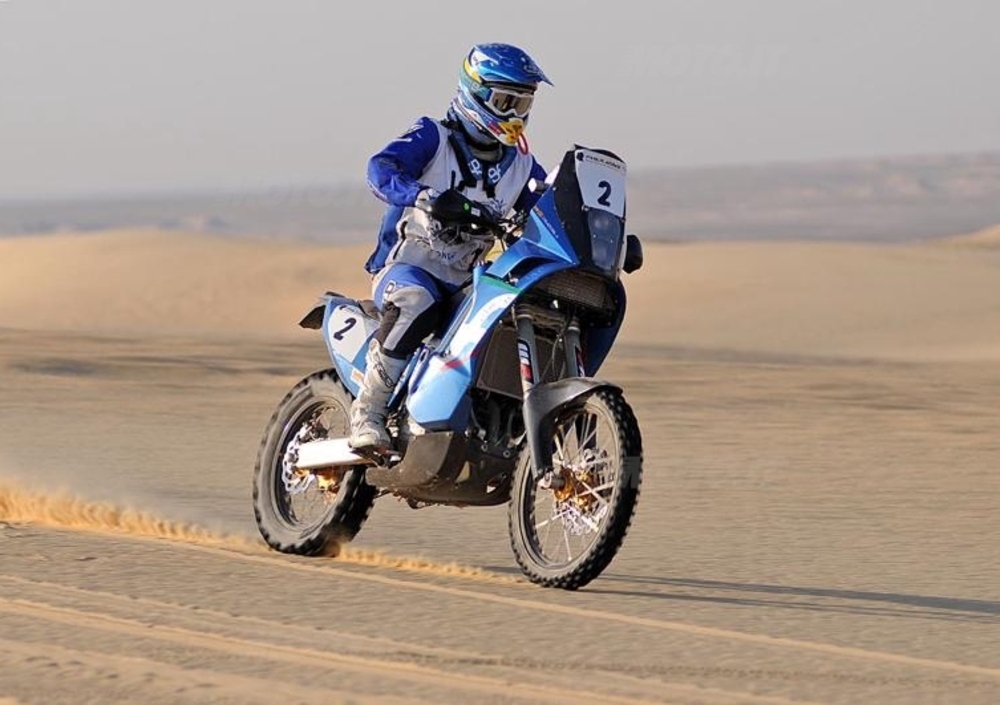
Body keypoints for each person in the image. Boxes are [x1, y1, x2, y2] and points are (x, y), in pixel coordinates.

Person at [349, 43, 552, 452]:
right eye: (506, 102)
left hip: (467, 279)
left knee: (508, 318)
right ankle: (367, 413)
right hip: (408, 266)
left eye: (523, 103)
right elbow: (380, 168)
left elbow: (550, 212)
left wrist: (598, 236)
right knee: (417, 300)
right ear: (475, 93)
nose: (515, 115)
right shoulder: (434, 137)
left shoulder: (522, 166)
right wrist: (423, 196)